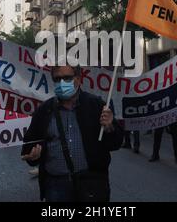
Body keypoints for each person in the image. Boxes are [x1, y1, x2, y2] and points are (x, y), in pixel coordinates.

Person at [22, 65, 123, 202]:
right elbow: (29, 145)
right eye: (57, 79)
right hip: (55, 186)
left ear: (78, 79)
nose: (62, 83)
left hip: (92, 184)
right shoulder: (44, 111)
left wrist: (110, 127)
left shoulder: (96, 105)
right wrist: (33, 156)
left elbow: (115, 144)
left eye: (67, 78)